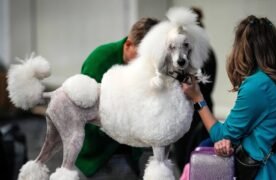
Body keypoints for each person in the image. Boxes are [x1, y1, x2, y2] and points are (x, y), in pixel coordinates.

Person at [182, 15, 276, 179]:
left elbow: (222, 135)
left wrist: (197, 97)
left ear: (243, 48)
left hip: (269, 174)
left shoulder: (257, 85)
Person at [75, 17, 159, 178]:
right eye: (143, 58)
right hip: (95, 155)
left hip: (129, 152)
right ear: (128, 45)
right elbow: (83, 112)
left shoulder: (148, 68)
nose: (148, 66)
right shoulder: (99, 61)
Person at [173, 6, 217, 171]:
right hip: (196, 113)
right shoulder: (202, 52)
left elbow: (195, 88)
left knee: (191, 164)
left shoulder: (201, 55)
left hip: (197, 115)